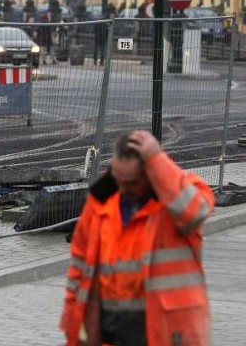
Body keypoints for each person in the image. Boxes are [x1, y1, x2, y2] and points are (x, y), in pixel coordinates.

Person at [60, 129, 213, 345]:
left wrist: (157, 159)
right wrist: (72, 323)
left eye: (130, 182)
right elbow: (79, 263)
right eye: (118, 179)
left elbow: (195, 212)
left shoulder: (178, 193)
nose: (123, 189)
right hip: (110, 333)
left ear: (150, 172)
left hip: (166, 333)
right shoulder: (102, 201)